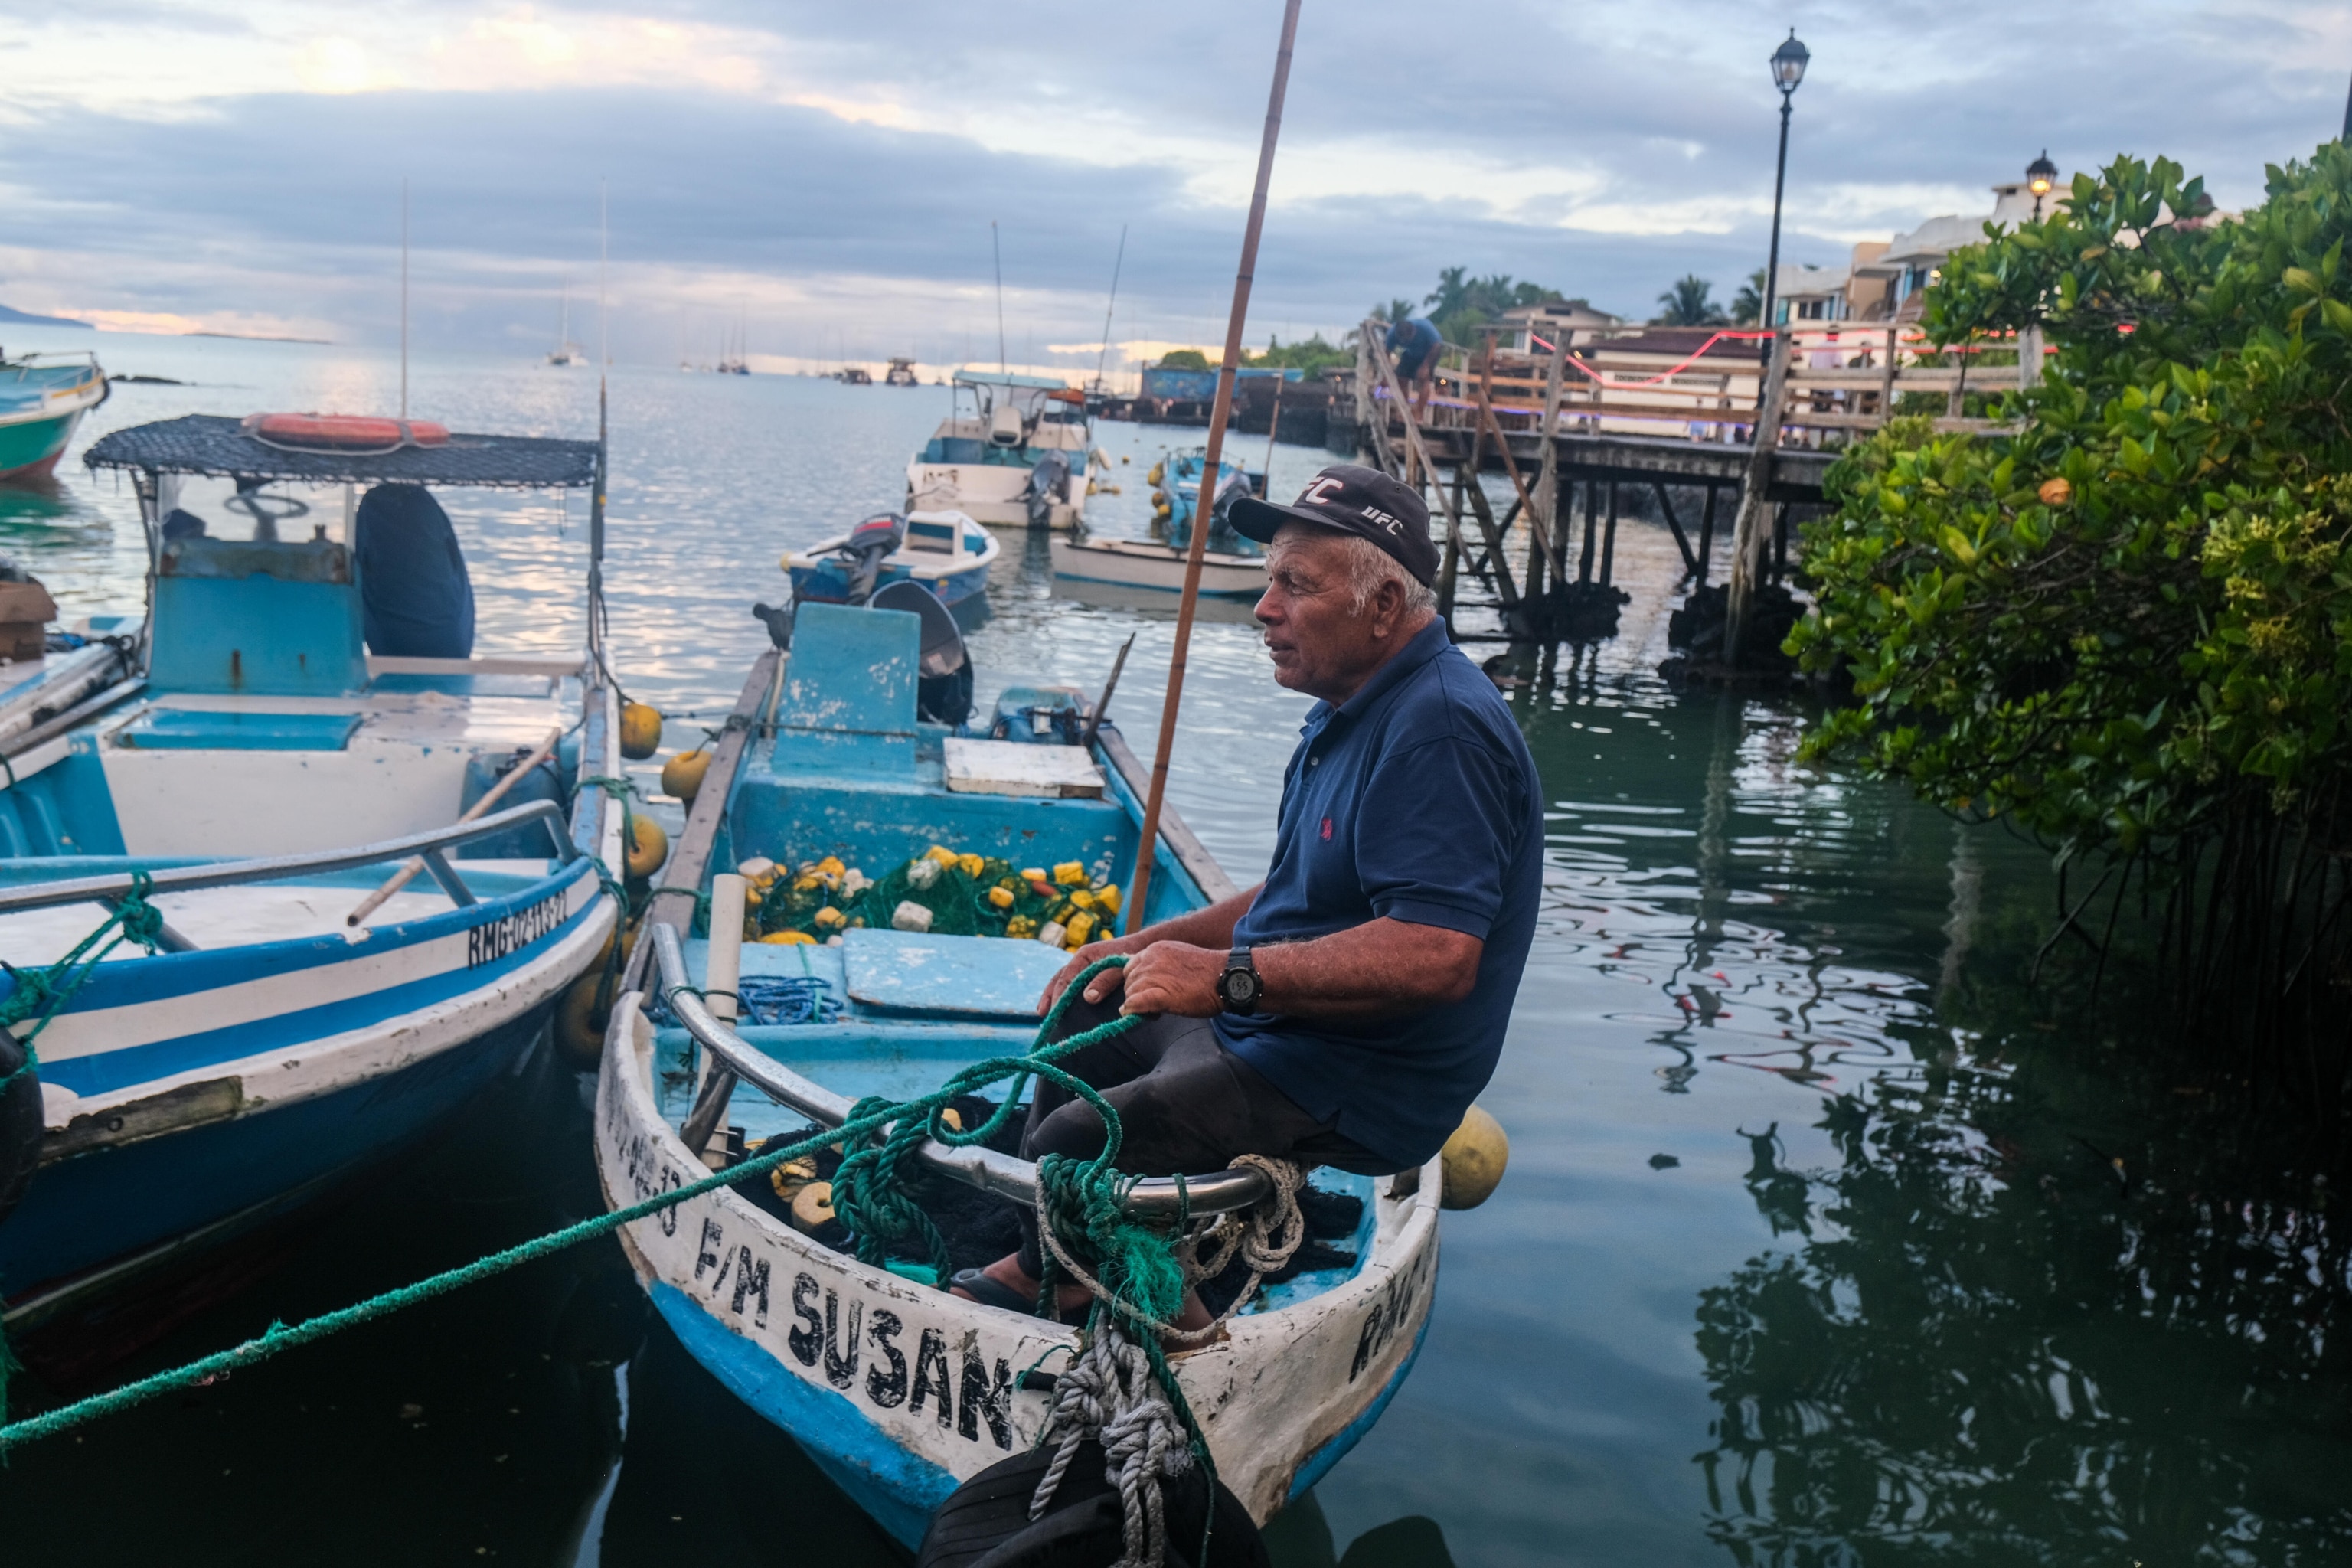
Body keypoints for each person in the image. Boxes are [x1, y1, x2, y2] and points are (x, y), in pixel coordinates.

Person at [950, 463, 1544, 1323]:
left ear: (1382, 608)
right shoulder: (1354, 701)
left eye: (1296, 586)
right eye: (1268, 579)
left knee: (1074, 1143)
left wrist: (1225, 977)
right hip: (1284, 1026)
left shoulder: (1440, 727)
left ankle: (1166, 1324)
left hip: (1361, 1073)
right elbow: (1297, 885)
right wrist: (1139, 946)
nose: (1265, 607)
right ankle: (1076, 1261)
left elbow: (1439, 953)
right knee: (1086, 1011)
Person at [1383, 315, 1443, 420]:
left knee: (1424, 379)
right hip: (1410, 354)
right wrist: (1385, 374)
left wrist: (1426, 366)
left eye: (1408, 340)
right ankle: (1405, 410)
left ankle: (1419, 413)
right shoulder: (1392, 334)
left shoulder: (1425, 328)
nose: (1406, 343)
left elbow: (1437, 346)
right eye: (1403, 342)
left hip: (1430, 352)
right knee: (1401, 378)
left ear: (1414, 331)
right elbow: (1387, 354)